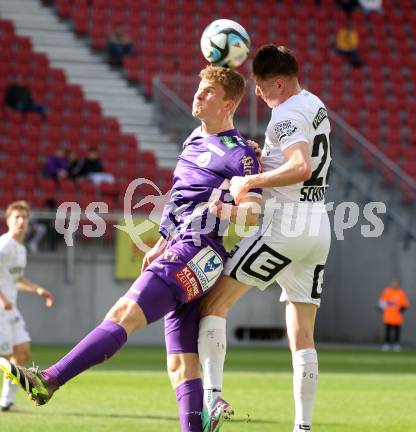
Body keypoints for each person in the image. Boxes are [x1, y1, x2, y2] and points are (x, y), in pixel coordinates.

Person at [0, 66, 261, 432]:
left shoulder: (240, 155)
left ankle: (49, 380)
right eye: (199, 90)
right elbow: (178, 202)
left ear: (229, 104)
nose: (198, 96)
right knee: (181, 365)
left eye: (208, 93)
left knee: (123, 312)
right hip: (179, 247)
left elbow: (252, 215)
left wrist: (226, 209)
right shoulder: (193, 141)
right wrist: (159, 242)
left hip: (200, 250)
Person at [197, 45, 332, 432]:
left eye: (260, 85)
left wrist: (251, 178)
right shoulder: (313, 103)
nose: (257, 92)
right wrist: (267, 158)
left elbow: (301, 165)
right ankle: (303, 427)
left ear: (278, 82)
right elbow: (299, 158)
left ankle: (213, 400)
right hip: (317, 226)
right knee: (303, 334)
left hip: (285, 227)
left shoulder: (284, 115)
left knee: (213, 305)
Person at [0, 201, 54, 411]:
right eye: (17, 217)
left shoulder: (20, 249)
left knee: (22, 352)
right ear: (8, 220)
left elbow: (17, 279)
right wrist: (2, 299)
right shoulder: (4, 245)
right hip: (1, 307)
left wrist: (38, 290)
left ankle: (6, 401)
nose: (21, 221)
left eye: (24, 217)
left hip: (10, 309)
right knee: (4, 357)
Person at [378, 278, 409, 352]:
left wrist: (401, 309)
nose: (394, 284)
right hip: (388, 315)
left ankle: (396, 345)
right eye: (393, 283)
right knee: (388, 331)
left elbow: (405, 304)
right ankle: (386, 344)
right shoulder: (387, 291)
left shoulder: (400, 292)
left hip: (397, 316)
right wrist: (382, 309)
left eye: (396, 283)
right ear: (390, 283)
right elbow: (381, 302)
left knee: (397, 331)